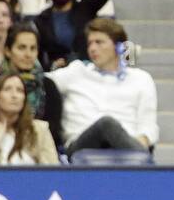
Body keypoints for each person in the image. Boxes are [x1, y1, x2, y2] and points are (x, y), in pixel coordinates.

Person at [46, 17, 159, 156]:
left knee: (115, 132)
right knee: (106, 124)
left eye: (99, 42)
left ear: (119, 46)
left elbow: (148, 126)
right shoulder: (76, 71)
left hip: (125, 148)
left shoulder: (141, 79)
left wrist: (141, 142)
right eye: (90, 44)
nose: (92, 48)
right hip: (82, 147)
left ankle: (139, 162)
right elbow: (42, 81)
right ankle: (144, 169)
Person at [0, 71, 59, 165]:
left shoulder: (40, 130)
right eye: (7, 89)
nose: (14, 95)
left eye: (20, 90)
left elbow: (53, 173)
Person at [35, 0, 115, 70]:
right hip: (60, 74)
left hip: (90, 68)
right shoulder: (41, 19)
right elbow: (39, 55)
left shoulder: (85, 7)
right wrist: (52, 65)